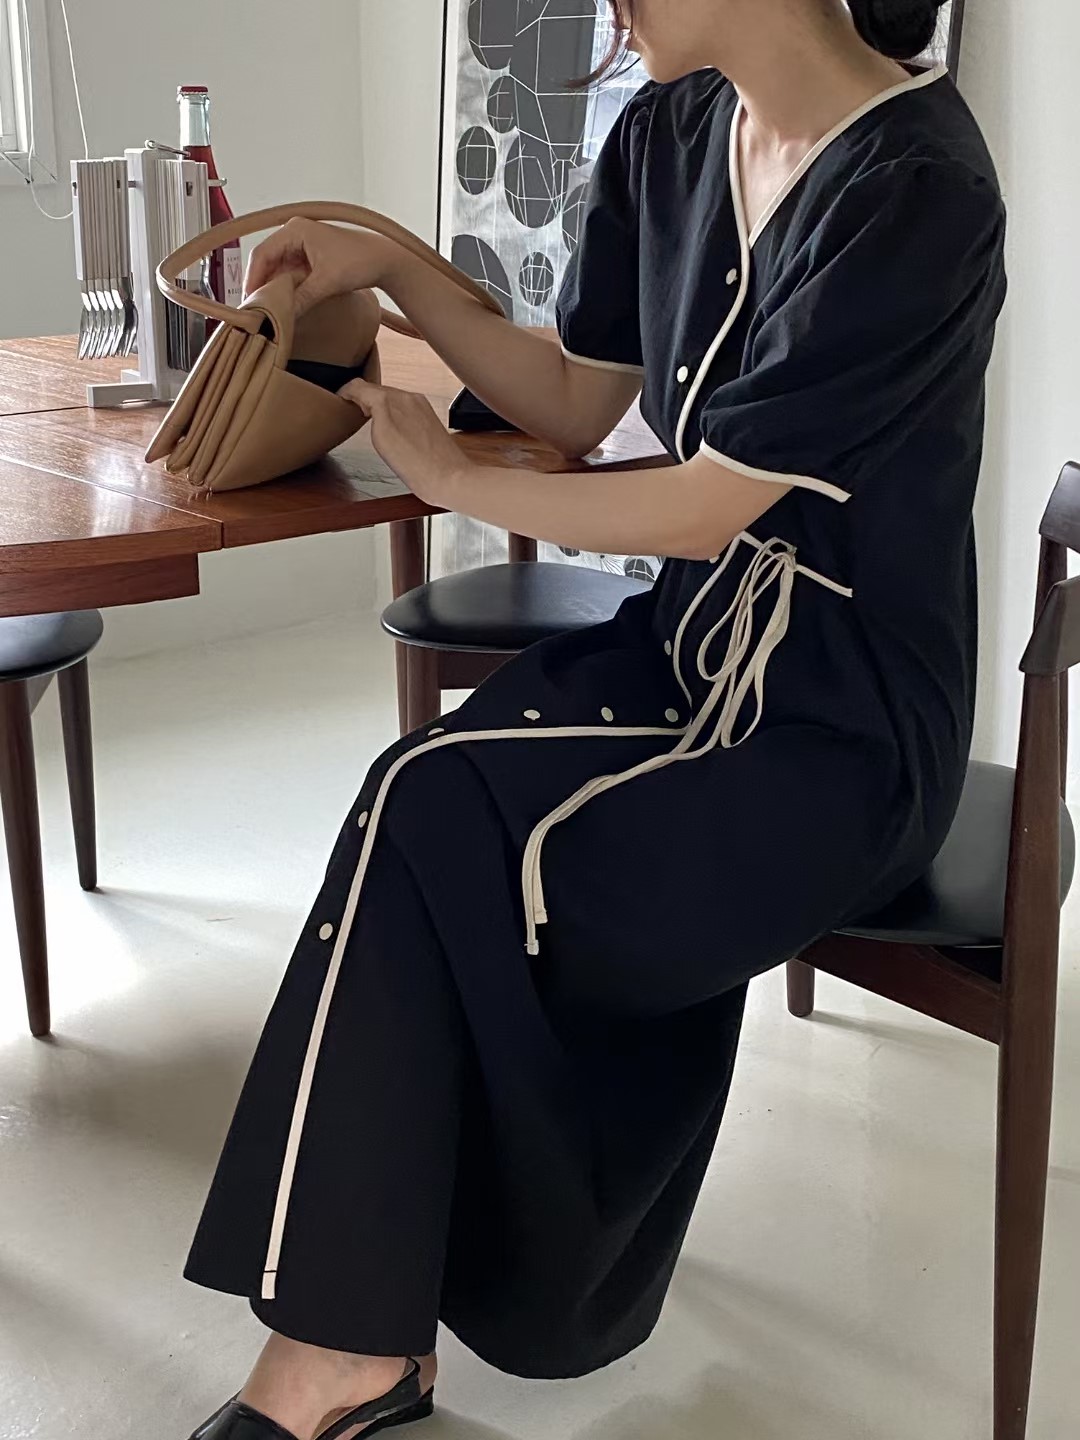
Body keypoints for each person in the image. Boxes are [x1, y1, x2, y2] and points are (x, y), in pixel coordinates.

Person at [185, 1, 1007, 1436]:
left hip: (841, 727)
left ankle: (364, 1341)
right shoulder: (674, 131)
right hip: (689, 652)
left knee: (453, 831)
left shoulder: (917, 187)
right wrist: (394, 268)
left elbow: (710, 505)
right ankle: (355, 1342)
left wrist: (455, 481)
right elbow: (575, 398)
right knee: (417, 794)